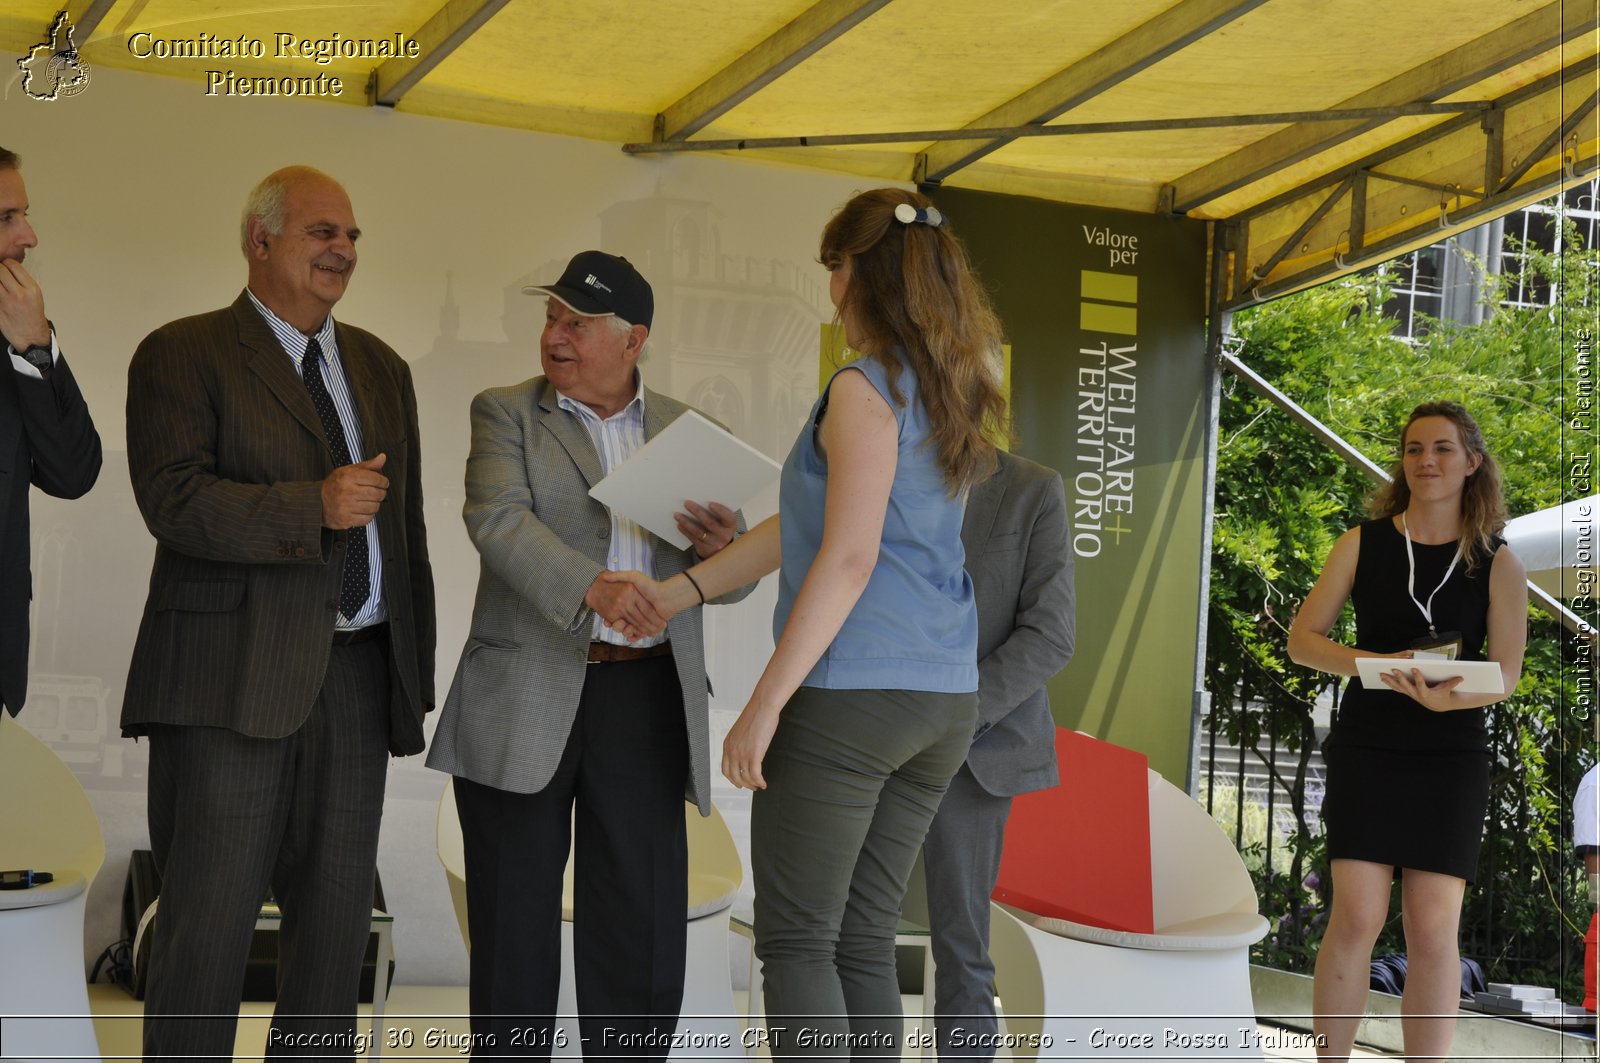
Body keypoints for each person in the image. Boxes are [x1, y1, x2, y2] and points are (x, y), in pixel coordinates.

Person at [607, 188, 1009, 1058]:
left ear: (867, 273)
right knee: (862, 935)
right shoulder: (950, 384)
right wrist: (683, 592)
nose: (829, 287)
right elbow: (810, 530)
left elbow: (849, 558)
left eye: (835, 266)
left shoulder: (862, 387)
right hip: (940, 700)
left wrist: (763, 702)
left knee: (794, 938)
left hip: (852, 695)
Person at [122, 165, 434, 1060]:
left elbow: (403, 535)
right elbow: (172, 499)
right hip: (228, 687)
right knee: (206, 932)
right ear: (260, 240)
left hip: (359, 677)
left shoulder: (382, 367)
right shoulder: (182, 351)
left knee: (335, 940)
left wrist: (410, 674)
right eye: (321, 232)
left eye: (352, 236)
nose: (343, 250)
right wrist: (312, 508)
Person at [425, 250, 752, 1060]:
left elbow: (733, 585)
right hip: (524, 687)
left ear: (633, 339)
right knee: (511, 925)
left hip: (644, 700)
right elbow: (496, 520)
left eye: (580, 321)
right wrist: (591, 588)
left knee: (637, 926)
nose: (557, 334)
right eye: (552, 316)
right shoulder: (504, 411)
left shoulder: (692, 433)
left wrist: (723, 550)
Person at [1287, 401, 1527, 1062]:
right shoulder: (1362, 542)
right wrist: (1375, 666)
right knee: (1357, 916)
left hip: (1451, 754)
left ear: (1472, 462)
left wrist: (1451, 702)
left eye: (1444, 449)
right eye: (1415, 448)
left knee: (1432, 930)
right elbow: (1303, 641)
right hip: (1370, 746)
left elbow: (1505, 672)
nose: (1427, 460)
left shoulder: (1500, 562)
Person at [918, 450, 1074, 1061]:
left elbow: (1052, 633)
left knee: (961, 946)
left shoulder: (1033, 488)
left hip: (974, 746)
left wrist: (958, 714)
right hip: (870, 734)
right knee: (852, 932)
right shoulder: (877, 469)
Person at [0, 146, 101, 716]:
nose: (29, 236)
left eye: (24, 213)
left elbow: (73, 473)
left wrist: (34, 348)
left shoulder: (19, 334)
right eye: (5, 219)